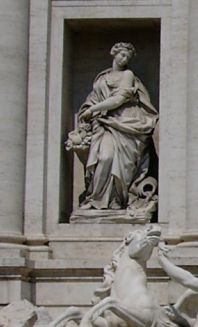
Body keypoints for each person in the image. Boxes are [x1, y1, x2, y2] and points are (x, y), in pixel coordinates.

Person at [68, 42, 158, 215]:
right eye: (122, 55)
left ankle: (116, 201)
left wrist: (93, 110)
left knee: (117, 162)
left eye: (128, 57)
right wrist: (88, 112)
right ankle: (95, 199)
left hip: (124, 123)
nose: (124, 59)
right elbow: (93, 99)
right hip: (103, 124)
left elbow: (118, 100)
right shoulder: (102, 78)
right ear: (113, 53)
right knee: (104, 157)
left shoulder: (128, 74)